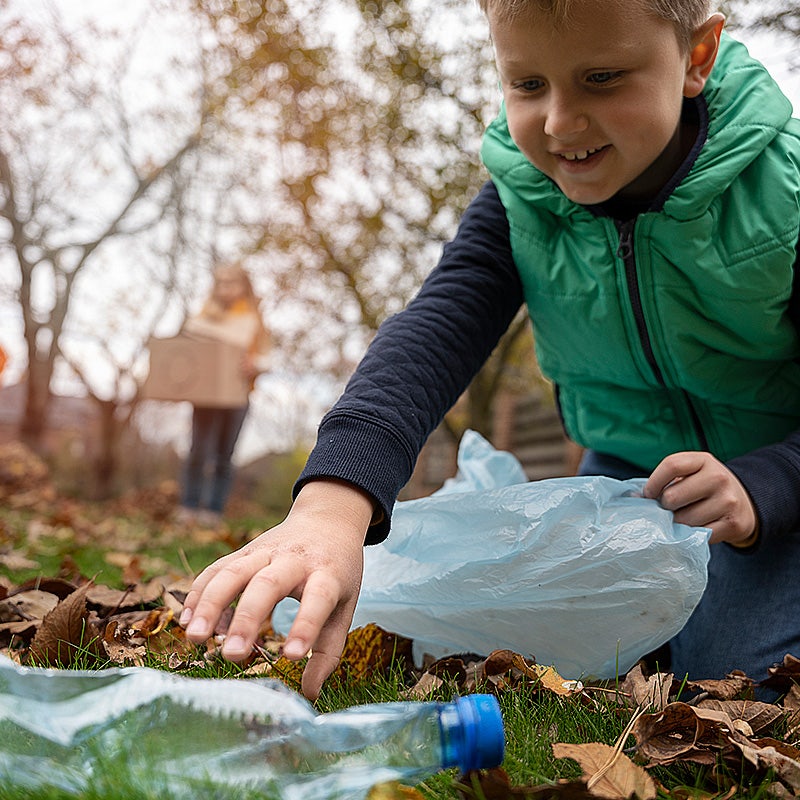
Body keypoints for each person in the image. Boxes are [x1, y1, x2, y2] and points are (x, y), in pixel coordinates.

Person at [181, 0, 800, 699]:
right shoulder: (523, 196)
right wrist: (332, 506)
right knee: (586, 656)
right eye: (528, 84)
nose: (560, 122)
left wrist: (766, 484)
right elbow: (437, 328)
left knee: (743, 678)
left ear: (697, 56)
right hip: (634, 472)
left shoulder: (787, 190)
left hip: (778, 474)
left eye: (601, 78)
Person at [175, 263, 270, 526]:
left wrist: (256, 365)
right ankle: (188, 507)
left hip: (237, 397)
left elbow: (267, 356)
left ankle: (213, 512)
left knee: (223, 457)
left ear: (244, 286)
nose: (226, 288)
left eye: (232, 282)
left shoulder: (253, 320)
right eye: (221, 283)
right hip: (205, 398)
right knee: (197, 451)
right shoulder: (204, 316)